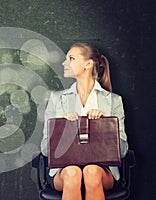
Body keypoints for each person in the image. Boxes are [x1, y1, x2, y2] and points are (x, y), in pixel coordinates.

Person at [40, 43, 128, 200]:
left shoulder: (113, 101)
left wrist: (105, 125)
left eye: (71, 59)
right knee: (73, 172)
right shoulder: (57, 99)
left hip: (102, 171)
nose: (64, 63)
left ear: (88, 64)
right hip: (64, 171)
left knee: (91, 171)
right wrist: (61, 126)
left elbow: (122, 151)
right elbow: (45, 150)